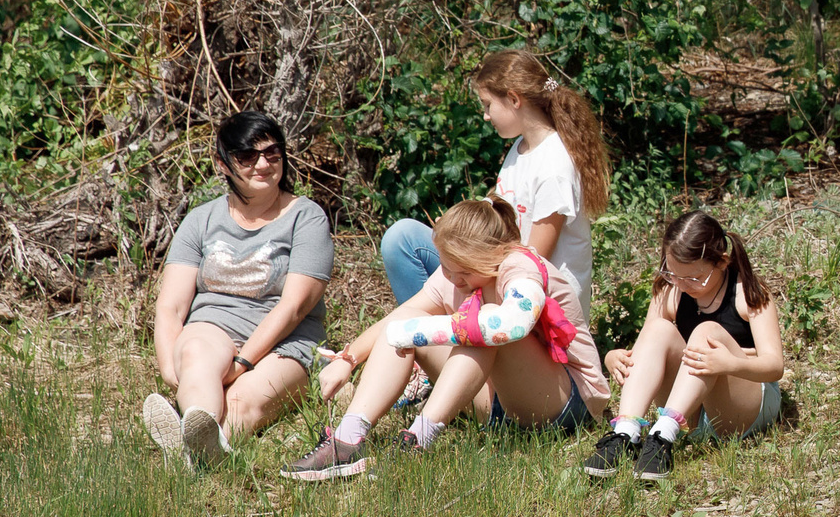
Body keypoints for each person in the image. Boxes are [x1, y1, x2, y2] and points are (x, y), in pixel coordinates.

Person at [284, 197, 600, 478]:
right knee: (409, 322)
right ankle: (347, 439)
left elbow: (512, 324)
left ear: (490, 257)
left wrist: (424, 330)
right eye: (446, 267)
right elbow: (400, 319)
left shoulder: (519, 267)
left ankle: (420, 439)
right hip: (499, 403)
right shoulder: (452, 270)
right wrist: (348, 359)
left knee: (480, 329)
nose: (451, 278)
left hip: (563, 402)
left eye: (461, 271)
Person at [145, 112, 332, 470]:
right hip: (212, 329)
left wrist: (244, 362)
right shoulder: (201, 219)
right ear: (224, 164)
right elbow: (171, 308)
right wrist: (172, 369)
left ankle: (189, 452)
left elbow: (294, 307)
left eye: (273, 153)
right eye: (247, 156)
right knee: (197, 355)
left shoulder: (306, 218)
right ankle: (198, 436)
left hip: (286, 341)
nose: (263, 164)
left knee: (244, 400)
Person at [376, 48, 611, 312]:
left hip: (532, 302)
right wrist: (457, 231)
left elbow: (532, 261)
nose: (486, 116)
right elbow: (497, 222)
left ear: (513, 99)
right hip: (502, 274)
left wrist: (465, 253)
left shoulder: (554, 166)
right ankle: (430, 333)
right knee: (403, 238)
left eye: (488, 105)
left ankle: (431, 333)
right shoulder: (521, 148)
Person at [584, 211, 793, 482]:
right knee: (658, 328)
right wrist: (616, 357)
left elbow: (774, 366)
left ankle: (663, 436)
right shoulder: (670, 291)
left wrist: (731, 364)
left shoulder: (748, 294)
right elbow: (647, 351)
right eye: (673, 274)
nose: (682, 284)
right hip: (690, 415)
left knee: (706, 332)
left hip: (740, 408)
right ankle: (626, 432)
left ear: (722, 262)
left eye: (694, 278)